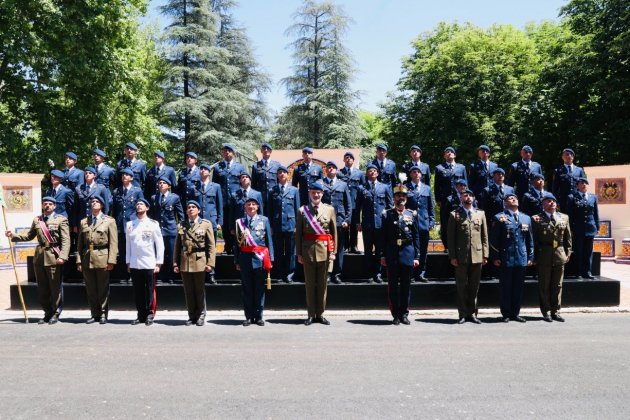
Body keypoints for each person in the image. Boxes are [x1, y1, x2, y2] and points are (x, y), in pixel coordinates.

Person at [5, 196, 70, 324]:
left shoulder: (61, 220)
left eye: (50, 204)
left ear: (54, 206)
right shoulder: (37, 220)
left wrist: (63, 256)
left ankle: (56, 313)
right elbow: (29, 236)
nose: (47, 206)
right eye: (45, 203)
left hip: (54, 256)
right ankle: (47, 312)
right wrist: (13, 236)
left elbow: (65, 240)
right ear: (42, 205)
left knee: (54, 287)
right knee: (42, 288)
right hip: (39, 257)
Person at [296, 181, 337, 325]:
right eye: (313, 192)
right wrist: (299, 254)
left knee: (322, 285)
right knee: (309, 285)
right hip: (308, 252)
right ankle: (310, 314)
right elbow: (298, 234)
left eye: (318, 192)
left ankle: (320, 314)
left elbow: (333, 232)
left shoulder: (329, 210)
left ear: (322, 194)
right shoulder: (302, 210)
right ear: (309, 193)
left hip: (325, 252)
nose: (316, 195)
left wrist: (333, 252)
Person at [490, 193, 534, 323]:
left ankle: (516, 313)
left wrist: (530, 256)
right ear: (505, 203)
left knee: (518, 287)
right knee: (506, 287)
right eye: (510, 198)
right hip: (506, 257)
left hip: (521, 257)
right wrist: (495, 256)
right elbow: (494, 240)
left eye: (515, 197)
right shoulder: (499, 217)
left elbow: (530, 239)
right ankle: (506, 313)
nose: (513, 199)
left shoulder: (526, 218)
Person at [380, 185, 420, 325]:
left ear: (406, 198)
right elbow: (383, 237)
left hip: (408, 253)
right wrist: (383, 255)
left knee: (406, 286)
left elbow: (416, 237)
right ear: (394, 198)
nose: (400, 198)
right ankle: (395, 315)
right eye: (398, 196)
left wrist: (417, 257)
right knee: (393, 287)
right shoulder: (387, 214)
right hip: (392, 254)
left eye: (403, 196)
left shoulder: (412, 214)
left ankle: (404, 314)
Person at [447, 189, 489, 324]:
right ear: (461, 198)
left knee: (474, 286)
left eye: (471, 195)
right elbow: (450, 238)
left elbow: (484, 236)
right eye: (466, 195)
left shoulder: (480, 214)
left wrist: (485, 254)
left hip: (477, 255)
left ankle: (473, 313)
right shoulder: (455, 215)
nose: (468, 197)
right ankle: (463, 314)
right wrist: (452, 256)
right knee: (461, 286)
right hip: (460, 256)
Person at [76, 194, 118, 324]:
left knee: (102, 288)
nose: (94, 203)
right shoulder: (84, 221)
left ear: (102, 205)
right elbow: (79, 244)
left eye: (97, 201)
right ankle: (95, 314)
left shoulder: (109, 221)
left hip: (102, 257)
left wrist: (111, 260)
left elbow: (113, 242)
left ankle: (104, 314)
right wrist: (78, 260)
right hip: (87, 257)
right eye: (92, 201)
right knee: (91, 288)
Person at [173, 200, 216, 326]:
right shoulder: (181, 225)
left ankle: (201, 314)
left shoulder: (206, 224)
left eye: (193, 207)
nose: (190, 209)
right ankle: (191, 315)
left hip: (200, 260)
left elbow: (211, 246)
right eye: (188, 207)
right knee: (188, 291)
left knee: (199, 290)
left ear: (199, 210)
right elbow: (177, 246)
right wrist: (175, 263)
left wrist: (210, 264)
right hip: (185, 261)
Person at [532, 193, 572, 322]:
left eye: (553, 201)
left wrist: (568, 253)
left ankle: (556, 311)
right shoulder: (536, 218)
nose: (551, 203)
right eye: (548, 201)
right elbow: (533, 239)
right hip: (544, 254)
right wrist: (534, 256)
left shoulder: (564, 217)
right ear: (543, 204)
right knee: (544, 284)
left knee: (558, 285)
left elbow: (568, 238)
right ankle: (546, 311)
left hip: (559, 254)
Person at [234, 197, 273, 326]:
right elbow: (236, 244)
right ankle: (249, 316)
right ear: (245, 207)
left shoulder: (264, 220)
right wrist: (237, 260)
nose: (251, 206)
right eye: (248, 204)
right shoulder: (239, 222)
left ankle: (259, 316)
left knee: (259, 289)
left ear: (257, 207)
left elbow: (269, 240)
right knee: (247, 289)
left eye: (253, 204)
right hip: (245, 259)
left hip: (260, 259)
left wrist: (270, 259)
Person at [125, 198, 164, 326]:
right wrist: (128, 262)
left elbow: (159, 245)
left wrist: (158, 263)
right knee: (138, 290)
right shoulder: (130, 225)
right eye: (137, 204)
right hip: (135, 262)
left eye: (141, 204)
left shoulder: (153, 224)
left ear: (147, 208)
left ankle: (150, 313)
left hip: (149, 262)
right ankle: (140, 314)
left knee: (149, 290)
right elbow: (128, 245)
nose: (139, 206)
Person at [354, 163, 393, 283]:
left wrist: (390, 222)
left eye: (374, 171)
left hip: (381, 224)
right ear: (366, 173)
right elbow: (357, 207)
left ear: (378, 173)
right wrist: (357, 222)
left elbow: (390, 206)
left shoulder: (385, 187)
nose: (372, 172)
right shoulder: (361, 188)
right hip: (367, 224)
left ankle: (378, 273)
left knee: (380, 250)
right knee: (368, 250)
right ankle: (370, 274)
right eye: (369, 171)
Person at [191, 163, 223, 283]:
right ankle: (199, 271)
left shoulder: (216, 186)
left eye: (205, 169)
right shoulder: (194, 187)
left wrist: (220, 221)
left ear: (209, 172)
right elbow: (191, 205)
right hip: (198, 222)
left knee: (211, 248)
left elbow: (219, 205)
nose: (202, 171)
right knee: (198, 247)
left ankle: (211, 273)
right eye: (201, 169)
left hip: (211, 221)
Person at [268, 165, 300, 283]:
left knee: (291, 251)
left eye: (284, 172)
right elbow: (270, 210)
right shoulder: (272, 191)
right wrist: (270, 226)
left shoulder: (294, 190)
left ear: (288, 175)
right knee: (278, 251)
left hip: (291, 224)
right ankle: (280, 274)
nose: (282, 174)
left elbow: (297, 209)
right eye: (279, 172)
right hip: (277, 225)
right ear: (277, 176)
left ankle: (290, 274)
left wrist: (297, 225)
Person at [321, 161, 352, 284]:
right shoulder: (320, 184)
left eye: (333, 168)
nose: (331, 170)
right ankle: (327, 273)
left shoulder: (343, 185)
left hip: (339, 221)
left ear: (336, 170)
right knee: (326, 248)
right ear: (326, 170)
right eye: (328, 168)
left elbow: (348, 204)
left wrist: (347, 220)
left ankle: (337, 274)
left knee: (339, 249)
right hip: (325, 222)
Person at [150, 177, 184, 284]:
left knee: (171, 254)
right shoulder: (154, 197)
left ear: (168, 186)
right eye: (159, 183)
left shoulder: (174, 198)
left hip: (170, 229)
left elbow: (180, 214)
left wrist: (181, 225)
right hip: (158, 230)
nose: (161, 184)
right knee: (159, 254)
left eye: (163, 183)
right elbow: (152, 215)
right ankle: (160, 275)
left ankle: (171, 276)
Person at [212, 144, 246, 254]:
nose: (227, 153)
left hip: (236, 202)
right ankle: (228, 246)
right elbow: (215, 185)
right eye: (225, 151)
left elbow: (244, 183)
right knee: (225, 225)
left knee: (237, 224)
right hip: (223, 202)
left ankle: (238, 247)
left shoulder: (240, 167)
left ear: (233, 153)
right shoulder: (218, 167)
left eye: (229, 151)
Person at [112, 168, 144, 281]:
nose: (124, 176)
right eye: (123, 175)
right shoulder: (116, 191)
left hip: (133, 224)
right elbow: (114, 210)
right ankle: (123, 274)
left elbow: (141, 207)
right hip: (120, 225)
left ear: (131, 177)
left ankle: (133, 274)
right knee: (122, 250)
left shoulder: (137, 190)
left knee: (133, 249)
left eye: (127, 175)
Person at [404, 165, 435, 282]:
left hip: (423, 223)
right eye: (413, 172)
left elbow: (430, 206)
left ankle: (421, 273)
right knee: (410, 249)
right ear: (410, 174)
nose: (416, 174)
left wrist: (431, 221)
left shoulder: (426, 188)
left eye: (418, 172)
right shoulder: (406, 187)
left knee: (423, 250)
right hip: (409, 223)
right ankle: (411, 273)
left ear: (421, 174)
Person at [435, 146, 467, 250]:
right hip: (445, 201)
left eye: (451, 152)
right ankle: (447, 247)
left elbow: (466, 184)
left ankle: (460, 245)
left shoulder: (461, 168)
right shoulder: (439, 168)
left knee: (460, 222)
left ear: (455, 155)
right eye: (447, 152)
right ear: (444, 156)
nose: (449, 153)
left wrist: (466, 198)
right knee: (445, 224)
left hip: (459, 200)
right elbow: (437, 186)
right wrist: (438, 200)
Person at [566, 178, 599, 279]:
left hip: (590, 227)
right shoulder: (572, 197)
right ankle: (578, 272)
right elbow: (569, 215)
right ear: (577, 186)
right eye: (582, 183)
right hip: (578, 228)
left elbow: (596, 214)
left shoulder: (593, 197)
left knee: (588, 252)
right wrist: (570, 228)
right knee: (578, 251)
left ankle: (587, 272)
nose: (584, 184)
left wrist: (597, 226)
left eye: (586, 183)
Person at [337, 151, 365, 254]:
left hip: (355, 203)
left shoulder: (359, 173)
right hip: (343, 204)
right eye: (346, 158)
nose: (348, 159)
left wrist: (362, 203)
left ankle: (354, 246)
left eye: (350, 158)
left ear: (353, 160)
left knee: (354, 226)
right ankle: (345, 246)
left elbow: (362, 188)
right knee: (344, 226)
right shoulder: (339, 173)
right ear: (343, 160)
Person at [251, 142, 280, 214]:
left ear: (271, 151)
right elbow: (253, 184)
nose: (266, 150)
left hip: (274, 196)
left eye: (268, 149)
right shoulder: (256, 166)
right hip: (261, 197)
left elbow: (279, 181)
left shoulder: (277, 165)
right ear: (261, 151)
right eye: (264, 149)